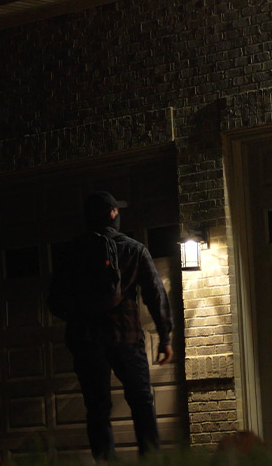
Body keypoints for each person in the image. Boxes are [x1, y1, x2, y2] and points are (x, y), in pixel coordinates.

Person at [65, 190, 175, 463]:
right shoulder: (134, 249)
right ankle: (150, 460)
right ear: (113, 214)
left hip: (88, 342)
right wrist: (165, 337)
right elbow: (156, 295)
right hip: (126, 337)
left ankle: (106, 462)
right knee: (141, 403)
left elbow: (56, 299)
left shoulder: (72, 252)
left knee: (98, 409)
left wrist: (80, 318)